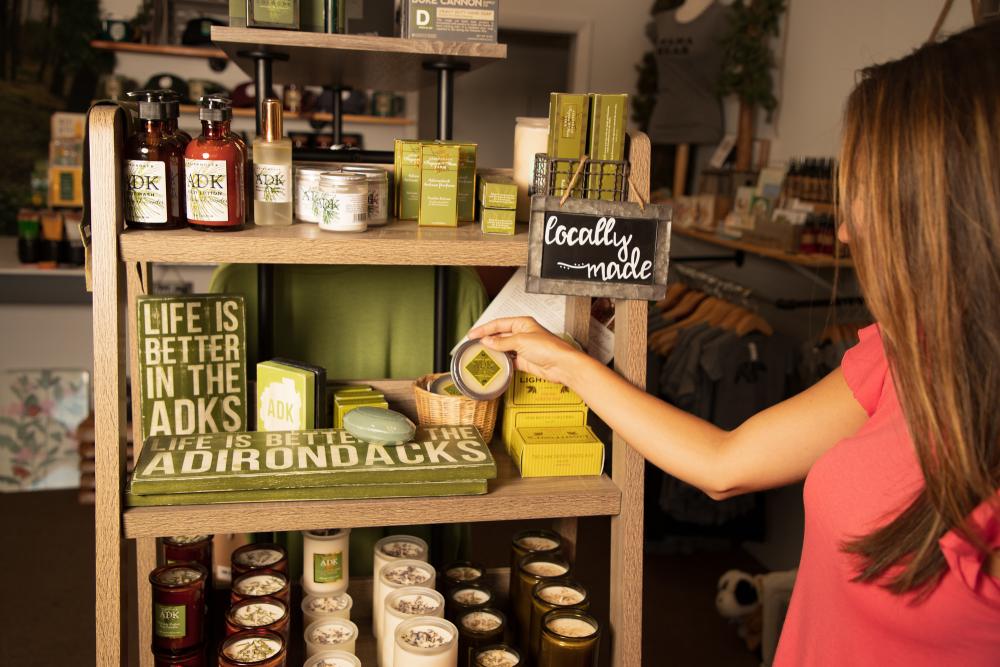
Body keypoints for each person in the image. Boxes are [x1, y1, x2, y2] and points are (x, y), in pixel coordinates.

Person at [469, 22, 999, 665]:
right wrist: (570, 363)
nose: (845, 235)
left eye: (865, 197)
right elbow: (725, 464)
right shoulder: (904, 353)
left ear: (944, 211)